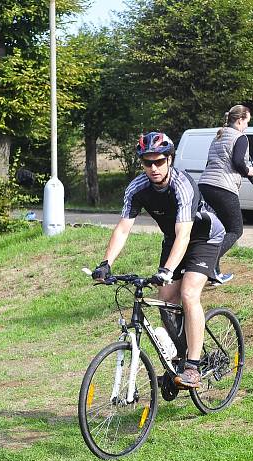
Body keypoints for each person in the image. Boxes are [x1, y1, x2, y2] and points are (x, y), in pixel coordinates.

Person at [91, 132, 225, 389]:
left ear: (170, 159)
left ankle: (193, 367)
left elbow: (184, 234)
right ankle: (180, 355)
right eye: (147, 162)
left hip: (203, 237)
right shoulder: (137, 188)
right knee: (164, 300)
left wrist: (166, 270)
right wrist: (105, 263)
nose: (153, 168)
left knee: (188, 293)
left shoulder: (182, 185)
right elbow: (122, 229)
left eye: (159, 161)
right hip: (172, 239)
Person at [197, 105, 253, 284]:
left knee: (217, 230)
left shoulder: (219, 135)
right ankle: (207, 263)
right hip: (223, 187)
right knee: (235, 229)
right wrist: (249, 171)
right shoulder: (240, 137)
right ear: (240, 120)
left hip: (206, 185)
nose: (247, 127)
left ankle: (214, 273)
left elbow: (211, 162)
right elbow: (237, 162)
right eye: (247, 122)